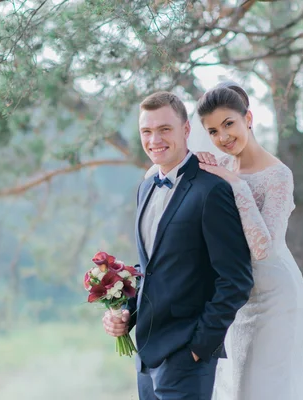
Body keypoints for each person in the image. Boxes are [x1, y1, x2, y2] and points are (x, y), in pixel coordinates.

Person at [102, 91, 254, 400]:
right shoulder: (145, 187)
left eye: (164, 129)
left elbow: (236, 280)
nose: (154, 139)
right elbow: (152, 270)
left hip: (188, 356)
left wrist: (201, 348)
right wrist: (125, 314)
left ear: (186, 130)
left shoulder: (212, 190)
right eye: (147, 131)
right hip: (146, 356)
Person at [193, 82, 303, 400]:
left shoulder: (278, 175)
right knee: (233, 387)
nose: (223, 137)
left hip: (275, 296)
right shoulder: (222, 168)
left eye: (228, 123)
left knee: (261, 389)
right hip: (237, 298)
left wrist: (236, 185)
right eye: (213, 131)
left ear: (248, 118)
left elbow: (263, 249)